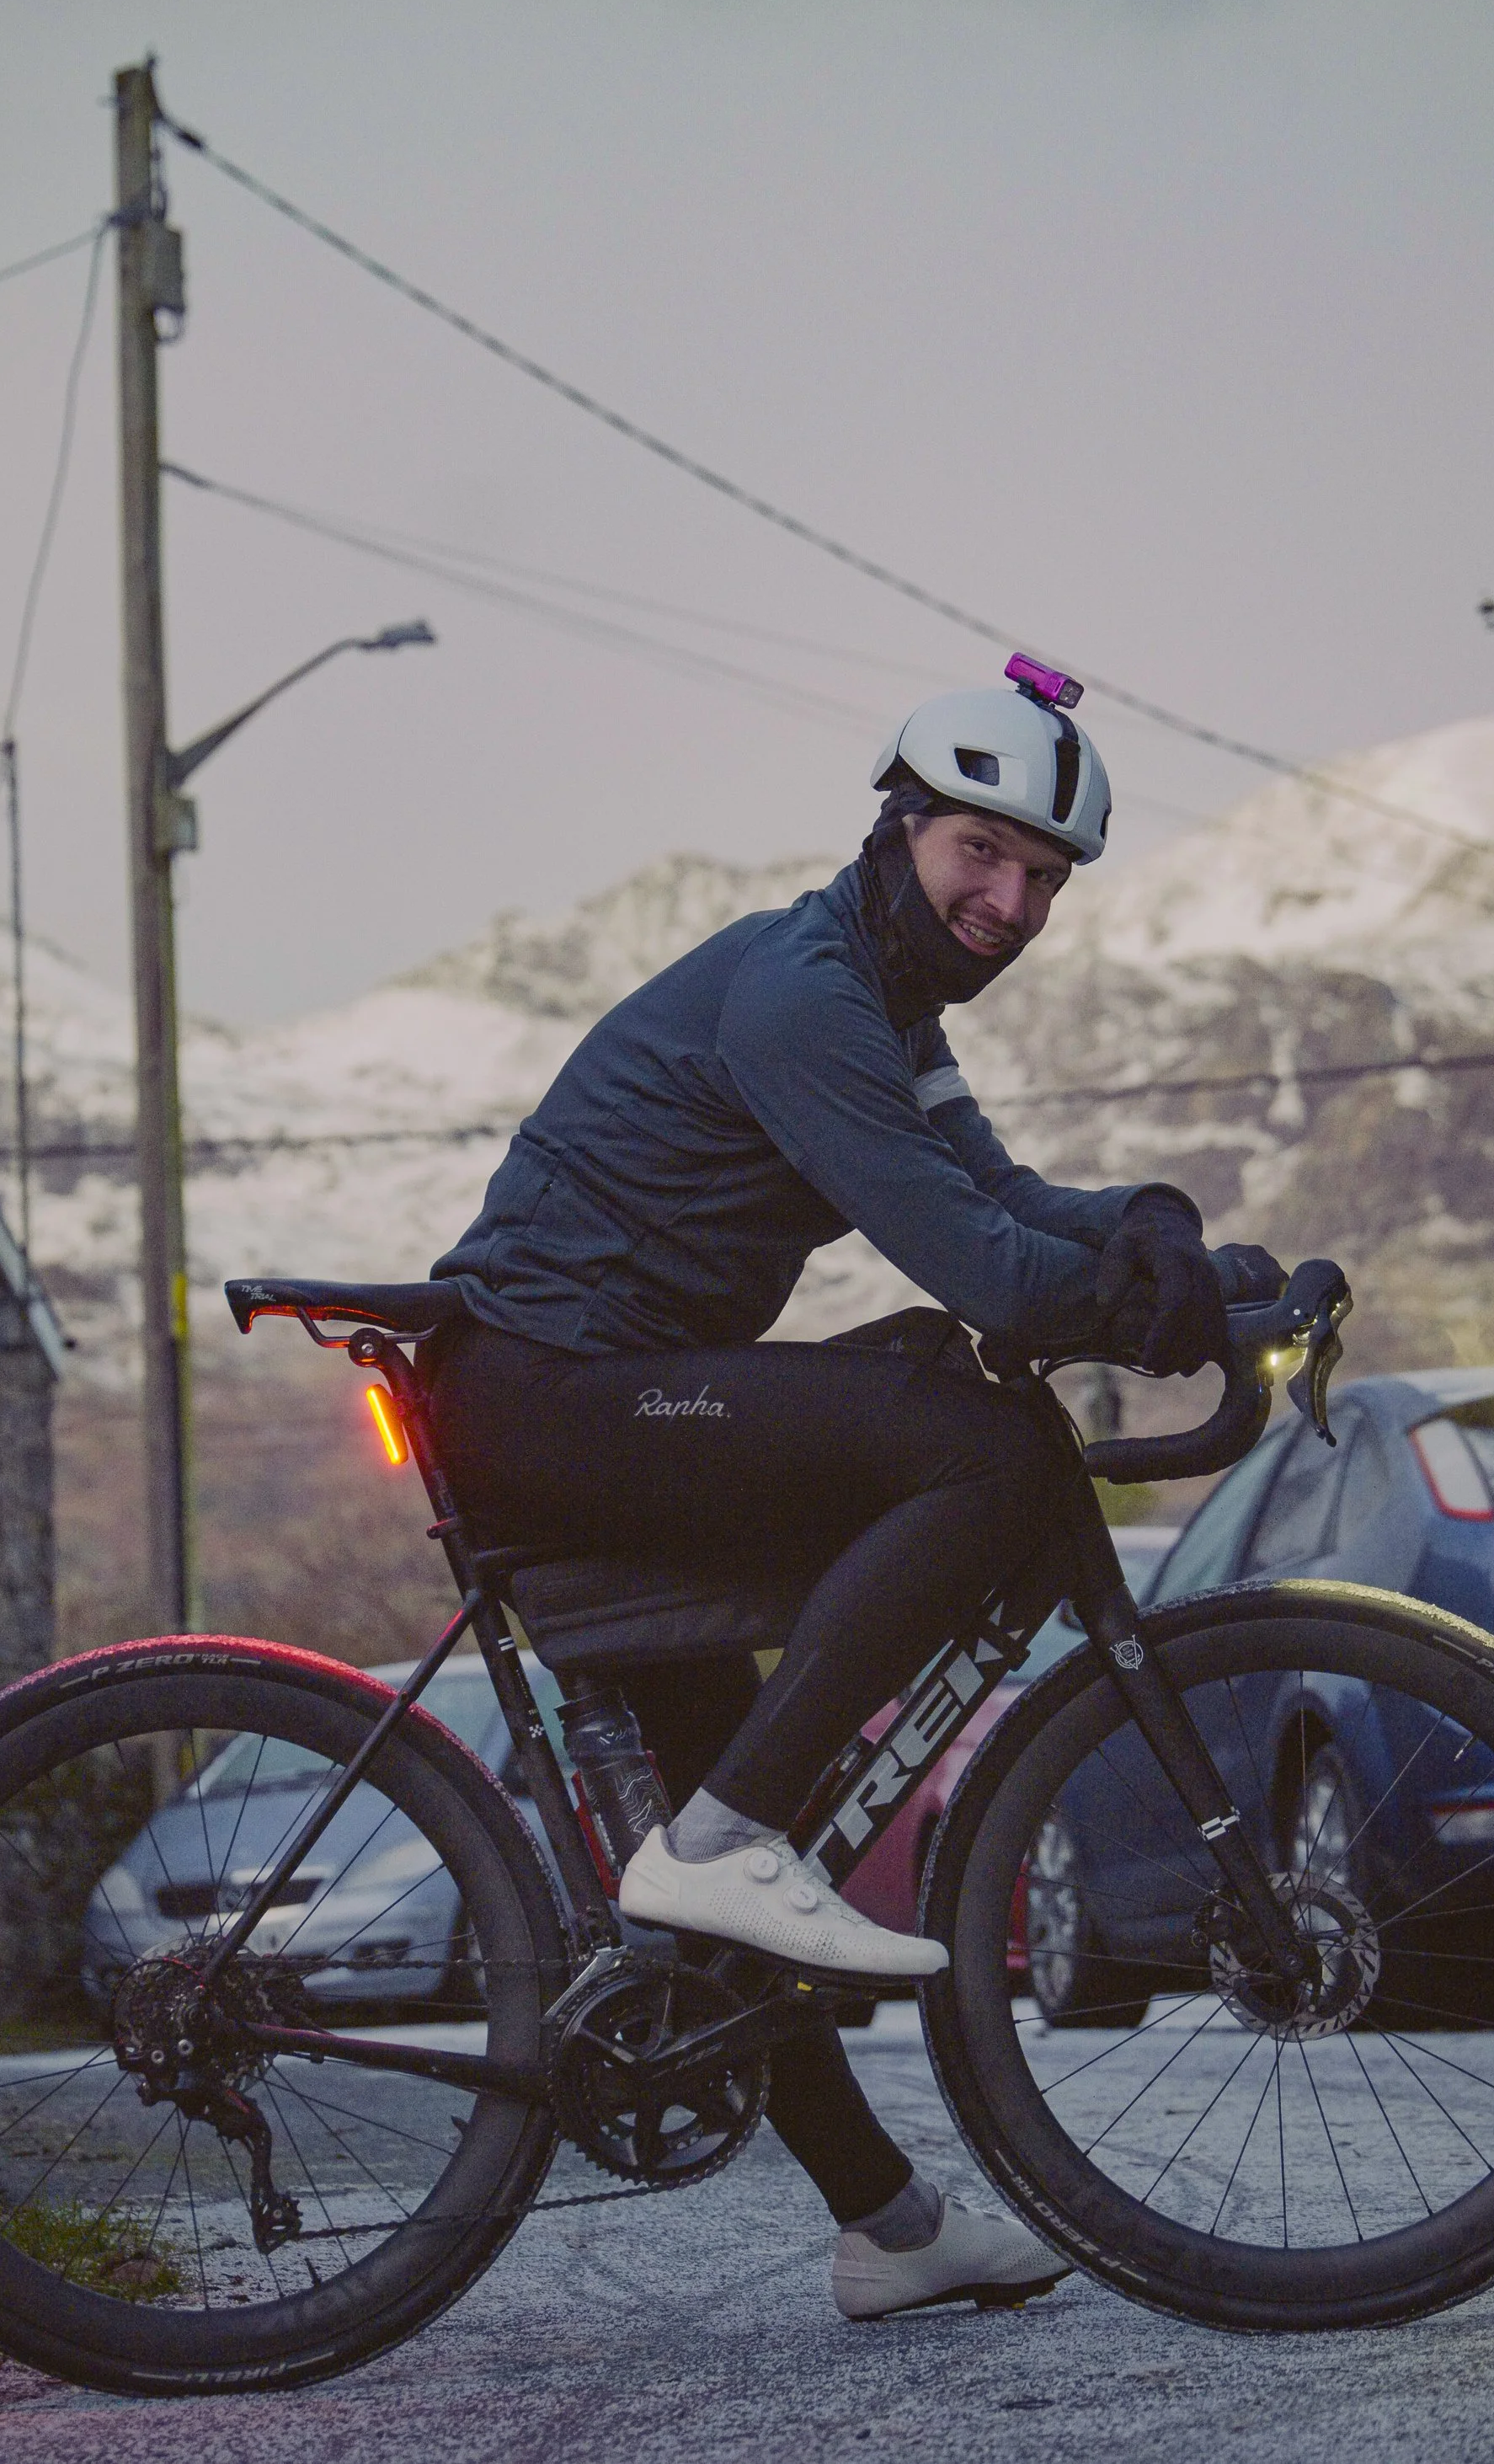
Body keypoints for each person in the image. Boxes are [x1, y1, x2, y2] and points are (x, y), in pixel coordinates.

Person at [426, 655, 1283, 2321]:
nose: (1008, 900)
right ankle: (733, 1836)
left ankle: (887, 2226)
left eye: (1040, 879)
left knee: (717, 1817)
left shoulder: (888, 1014)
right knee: (962, 1427)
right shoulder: (806, 998)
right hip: (553, 1394)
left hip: (607, 1403)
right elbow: (984, 1269)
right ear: (900, 829)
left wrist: (1174, 1237)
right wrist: (1117, 1291)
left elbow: (1017, 1196)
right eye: (982, 855)